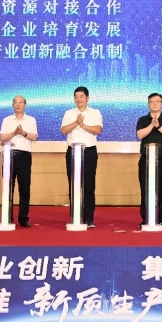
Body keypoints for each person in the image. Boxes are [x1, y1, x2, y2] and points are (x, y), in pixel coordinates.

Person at [60, 86, 103, 227]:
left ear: (87, 98)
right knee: (73, 184)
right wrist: (76, 122)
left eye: (81, 96)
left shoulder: (95, 112)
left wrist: (83, 125)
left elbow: (98, 130)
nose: (78, 99)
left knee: (89, 185)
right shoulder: (69, 113)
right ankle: (75, 217)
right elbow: (64, 130)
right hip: (72, 151)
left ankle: (89, 218)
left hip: (89, 151)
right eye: (76, 97)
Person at [136, 93, 162, 228]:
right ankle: (146, 218)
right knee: (145, 190)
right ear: (148, 104)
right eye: (151, 102)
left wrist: (158, 126)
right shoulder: (142, 119)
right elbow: (140, 135)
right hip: (146, 161)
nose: (154, 104)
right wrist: (152, 125)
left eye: (157, 101)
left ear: (161, 104)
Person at [0, 95, 38, 228]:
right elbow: (2, 138)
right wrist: (14, 133)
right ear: (12, 105)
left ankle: (23, 218)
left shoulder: (31, 120)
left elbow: (34, 137)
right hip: (9, 155)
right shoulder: (7, 120)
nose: (18, 104)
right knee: (8, 187)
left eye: (21, 102)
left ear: (25, 105)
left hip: (24, 157)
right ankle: (7, 216)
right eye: (15, 102)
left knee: (24, 188)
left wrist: (23, 133)